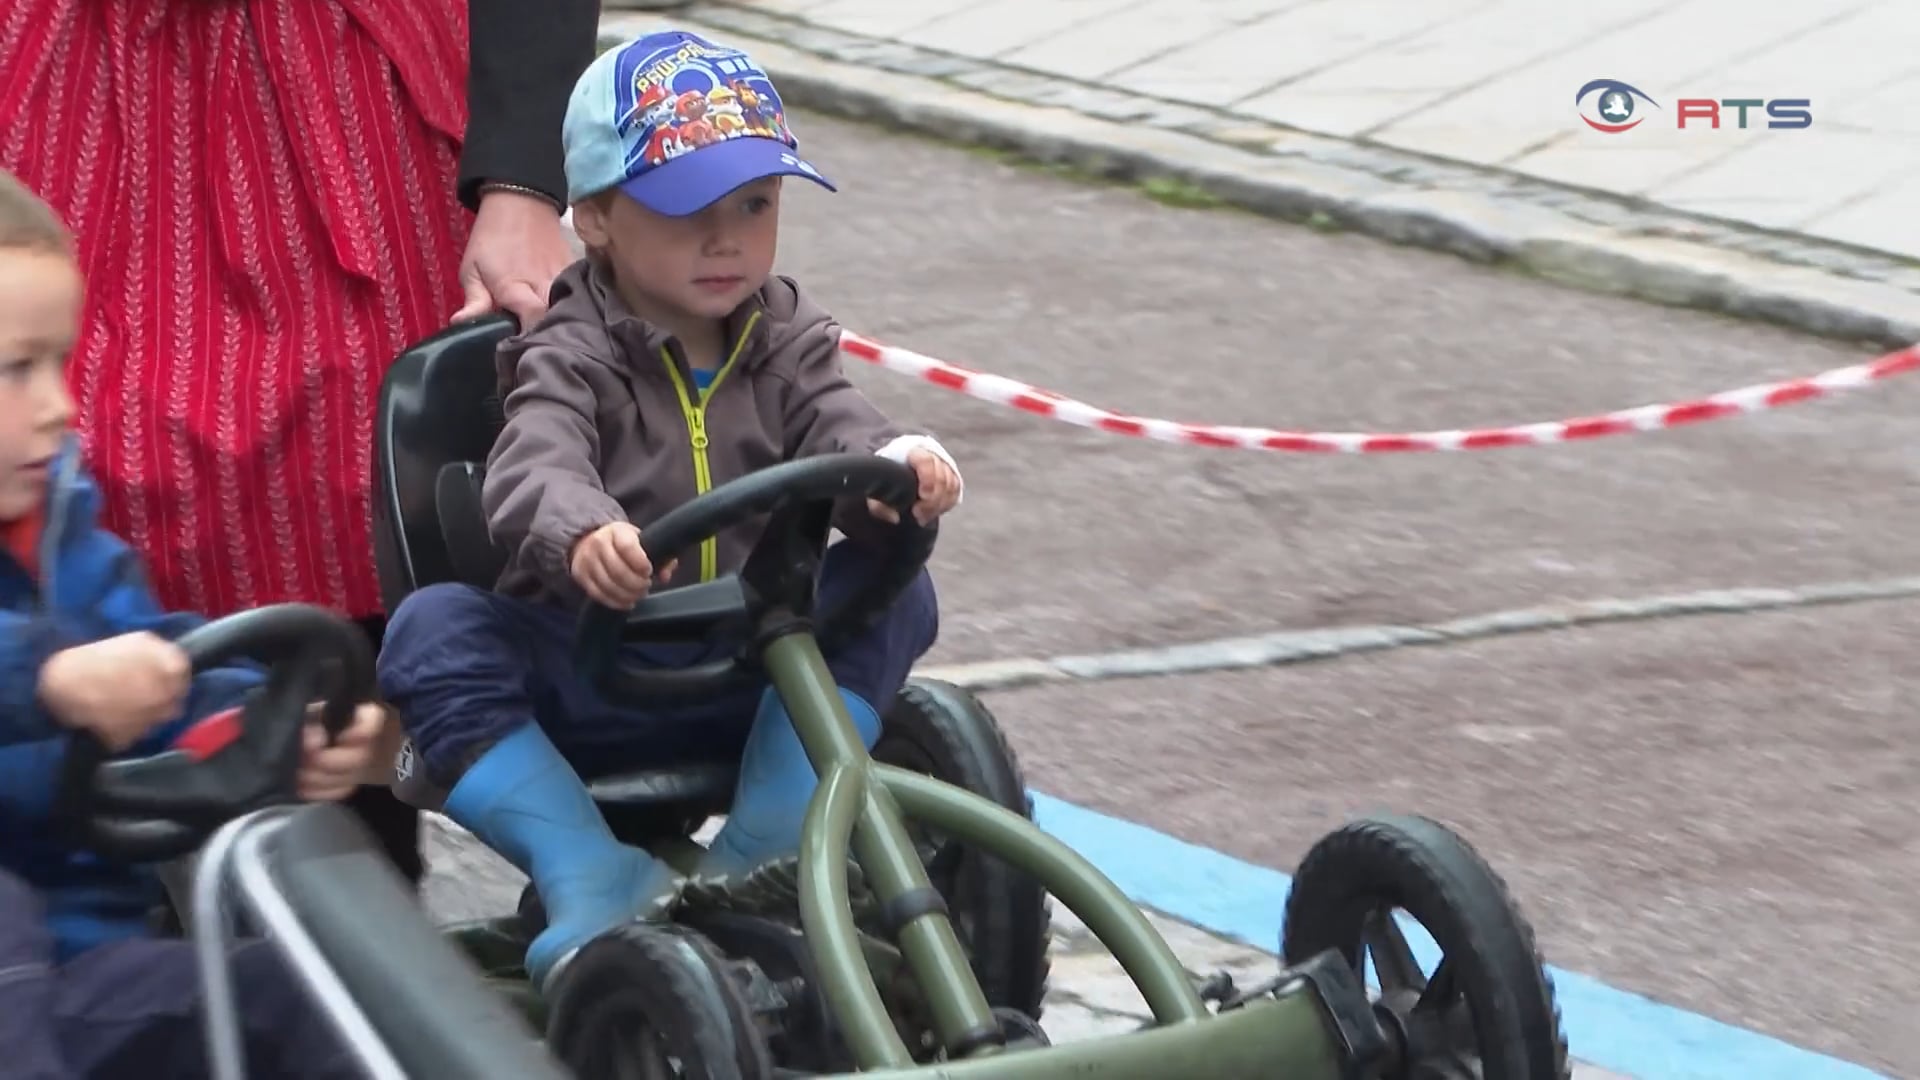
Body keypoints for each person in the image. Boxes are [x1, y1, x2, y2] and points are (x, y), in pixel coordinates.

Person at [375, 29, 966, 989]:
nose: (727, 238)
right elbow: (536, 459)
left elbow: (838, 420)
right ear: (598, 218)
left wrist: (893, 470)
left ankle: (769, 847)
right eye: (688, 209)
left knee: (897, 586)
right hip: (591, 669)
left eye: (754, 204)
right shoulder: (565, 350)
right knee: (431, 632)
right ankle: (587, 868)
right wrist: (585, 531)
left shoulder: (786, 336)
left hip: (752, 662)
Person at [0, 0, 609, 887]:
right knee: (42, 471)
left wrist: (522, 179)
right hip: (68, 88)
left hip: (338, 97)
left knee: (368, 486)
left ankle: (349, 930)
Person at [0, 172, 391, 1079]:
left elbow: (166, 677)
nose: (60, 405)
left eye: (60, 363)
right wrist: (50, 681)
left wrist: (275, 728)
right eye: (17, 370)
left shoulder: (66, 548)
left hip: (84, 968)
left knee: (303, 991)